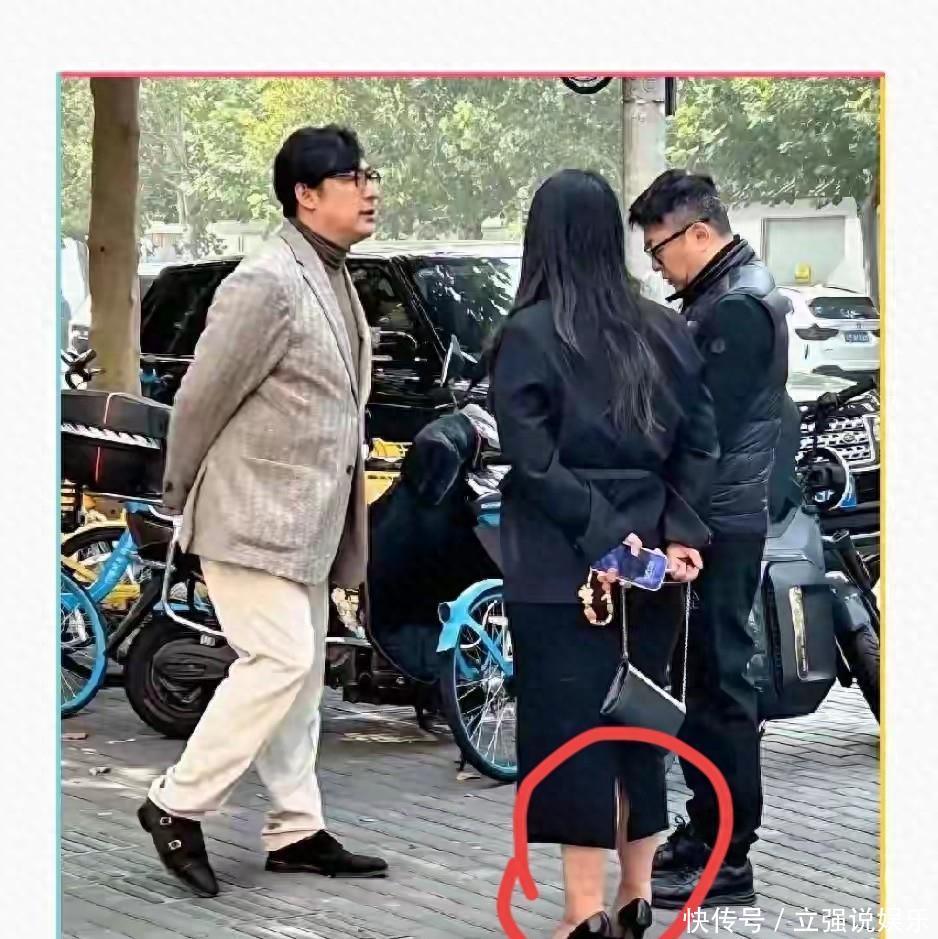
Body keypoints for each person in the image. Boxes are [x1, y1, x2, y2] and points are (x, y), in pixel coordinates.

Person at [139, 126, 388, 896]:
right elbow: (200, 398)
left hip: (306, 520)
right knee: (279, 659)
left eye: (370, 175)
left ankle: (296, 828)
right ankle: (175, 802)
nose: (371, 189)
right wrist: (178, 496)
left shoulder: (333, 273)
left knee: (302, 673)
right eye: (353, 177)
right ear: (306, 195)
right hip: (246, 513)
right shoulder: (267, 280)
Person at [490, 169, 719, 939]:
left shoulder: (529, 334)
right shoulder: (663, 328)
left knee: (571, 732)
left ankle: (582, 909)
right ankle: (637, 892)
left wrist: (601, 534)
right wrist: (677, 533)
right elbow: (700, 441)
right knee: (638, 722)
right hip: (654, 561)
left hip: (559, 561)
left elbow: (532, 461)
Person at [628, 170, 792, 909]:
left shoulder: (740, 307)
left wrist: (678, 523)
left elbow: (705, 431)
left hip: (720, 522)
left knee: (722, 685)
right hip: (707, 516)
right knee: (699, 684)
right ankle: (703, 831)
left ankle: (730, 855)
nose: (657, 264)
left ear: (698, 232)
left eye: (659, 248)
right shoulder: (716, 297)